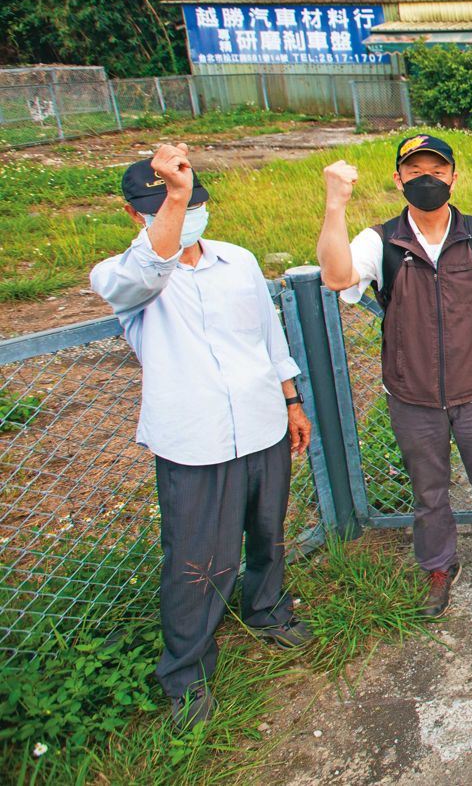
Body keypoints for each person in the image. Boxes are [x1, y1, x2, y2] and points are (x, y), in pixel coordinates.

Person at [90, 143, 313, 729]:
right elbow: (148, 266)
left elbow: (270, 339)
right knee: (196, 558)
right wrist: (175, 194)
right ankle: (186, 674)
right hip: (195, 441)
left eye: (189, 201)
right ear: (133, 213)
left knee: (268, 532)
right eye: (159, 203)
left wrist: (292, 401)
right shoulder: (124, 276)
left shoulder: (237, 262)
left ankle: (267, 610)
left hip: (262, 425)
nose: (182, 212)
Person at [316, 134, 472, 617]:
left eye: (436, 170)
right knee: (428, 490)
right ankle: (438, 565)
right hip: (411, 394)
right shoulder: (381, 240)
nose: (426, 180)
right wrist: (335, 204)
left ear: (454, 177)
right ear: (398, 179)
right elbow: (336, 277)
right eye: (415, 172)